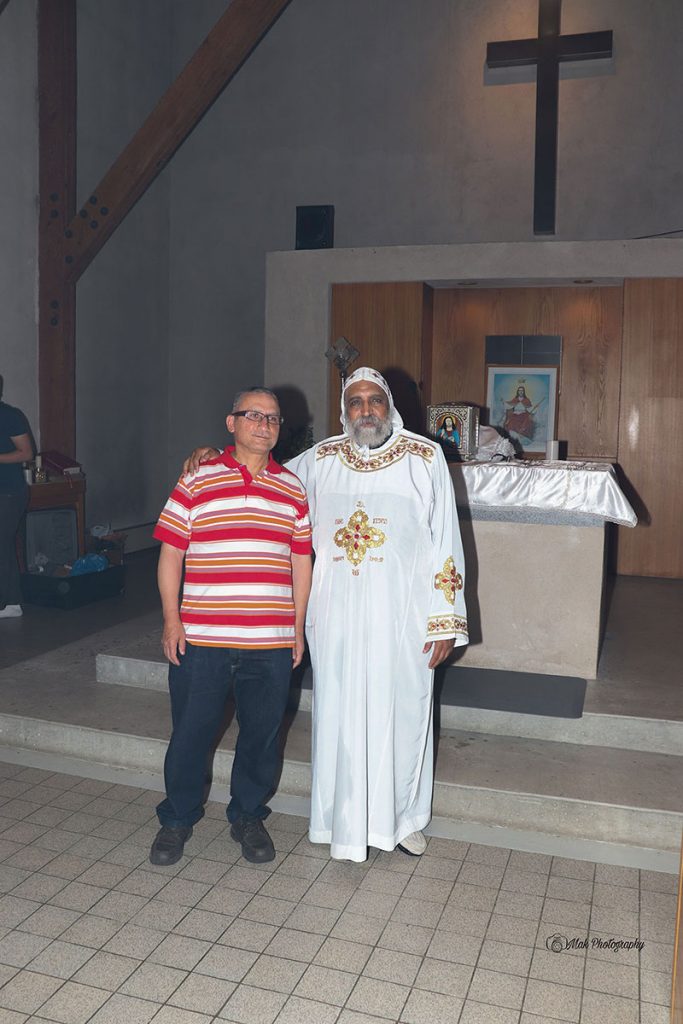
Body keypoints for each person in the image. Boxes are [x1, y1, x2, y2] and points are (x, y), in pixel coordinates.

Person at [185, 368, 468, 862]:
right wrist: (214, 454)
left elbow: (446, 541)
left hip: (401, 619)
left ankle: (403, 819)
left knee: (404, 714)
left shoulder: (425, 459)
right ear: (344, 410)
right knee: (338, 718)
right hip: (334, 617)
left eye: (374, 400)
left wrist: (444, 619)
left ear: (389, 406)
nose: (365, 410)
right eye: (355, 401)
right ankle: (339, 820)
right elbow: (262, 470)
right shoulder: (321, 460)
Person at [150, 387, 312, 867]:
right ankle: (177, 818)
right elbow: (171, 553)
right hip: (203, 639)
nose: (264, 425)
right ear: (231, 422)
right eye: (253, 415)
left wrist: (297, 628)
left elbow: (301, 562)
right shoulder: (197, 478)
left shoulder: (293, 488)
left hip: (270, 641)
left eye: (273, 418)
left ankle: (247, 815)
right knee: (190, 735)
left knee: (261, 736)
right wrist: (171, 620)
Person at [0, 376, 33, 619]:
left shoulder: (10, 415)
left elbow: (27, 453)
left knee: (2, 545)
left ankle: (11, 603)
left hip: (9, 492)